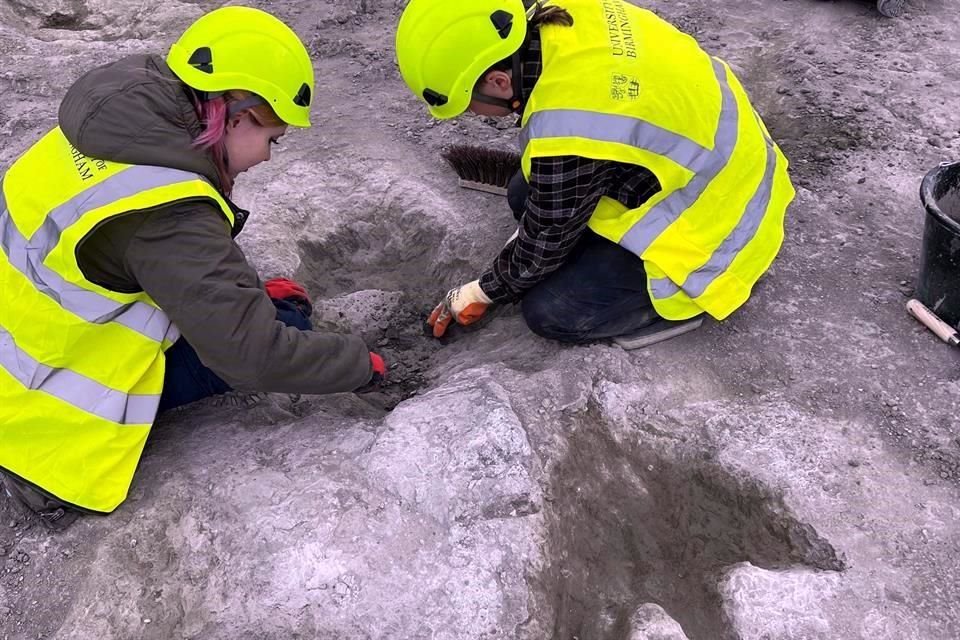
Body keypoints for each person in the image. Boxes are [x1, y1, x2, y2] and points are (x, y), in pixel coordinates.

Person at [0, 6, 386, 530]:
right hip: (50, 419)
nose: (269, 158)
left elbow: (156, 257)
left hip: (29, 343)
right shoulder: (169, 213)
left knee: (268, 309)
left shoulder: (113, 124)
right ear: (238, 114)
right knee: (287, 327)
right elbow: (253, 356)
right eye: (273, 138)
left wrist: (245, 289)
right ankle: (44, 471)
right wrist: (357, 363)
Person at [395, 0, 796, 345]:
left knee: (551, 311)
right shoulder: (568, 15)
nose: (473, 115)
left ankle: (685, 306)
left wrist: (482, 291)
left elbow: (545, 241)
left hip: (718, 226)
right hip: (713, 160)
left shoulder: (570, 126)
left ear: (499, 81)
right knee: (524, 193)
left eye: (469, 104)